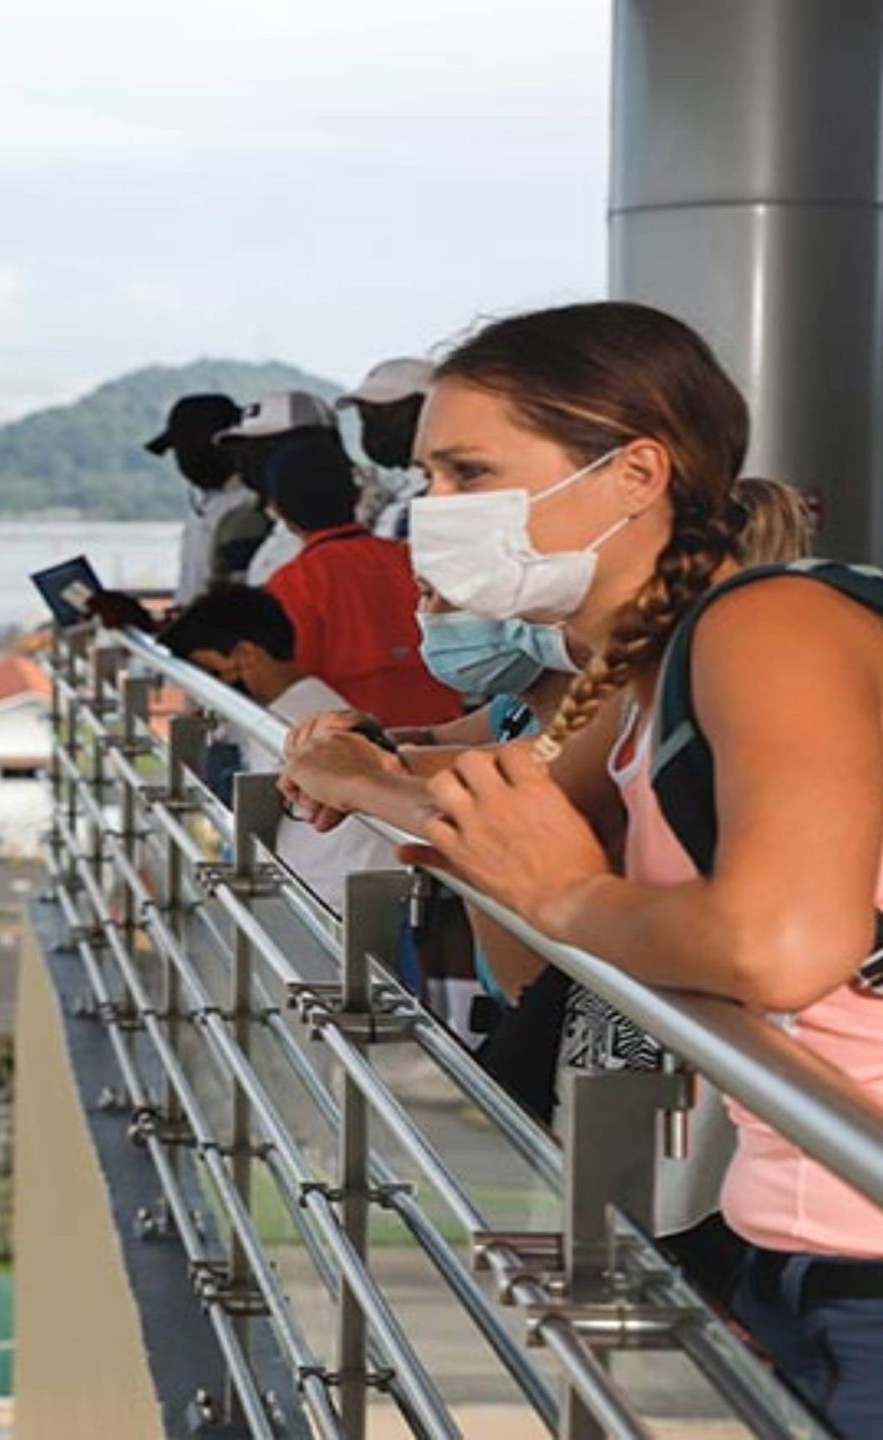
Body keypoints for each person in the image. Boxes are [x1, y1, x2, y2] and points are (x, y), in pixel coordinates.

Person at [282, 300, 883, 1431]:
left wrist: (565, 896)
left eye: (469, 473)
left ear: (634, 473)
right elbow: (500, 814)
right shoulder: (648, 677)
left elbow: (783, 946)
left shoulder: (769, 625)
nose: (434, 514)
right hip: (803, 1237)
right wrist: (358, 773)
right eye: (430, 478)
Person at [158, 586, 400, 912]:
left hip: (330, 904)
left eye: (208, 672)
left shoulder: (290, 724)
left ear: (246, 655)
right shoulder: (303, 703)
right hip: (326, 894)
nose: (204, 690)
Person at [259, 434, 461, 729]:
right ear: (356, 495)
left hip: (360, 751)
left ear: (278, 509)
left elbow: (292, 683)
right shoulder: (413, 559)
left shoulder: (291, 584)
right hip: (446, 740)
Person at [146, 393, 267, 606]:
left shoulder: (259, 507)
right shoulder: (200, 504)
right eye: (180, 451)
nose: (184, 460)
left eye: (193, 448)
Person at [214, 389, 341, 585]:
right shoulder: (266, 518)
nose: (246, 459)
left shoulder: (364, 516)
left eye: (261, 447)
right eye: (242, 449)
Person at [338, 356, 434, 537]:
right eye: (364, 413)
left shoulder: (447, 495)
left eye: (384, 411)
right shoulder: (394, 494)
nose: (371, 423)